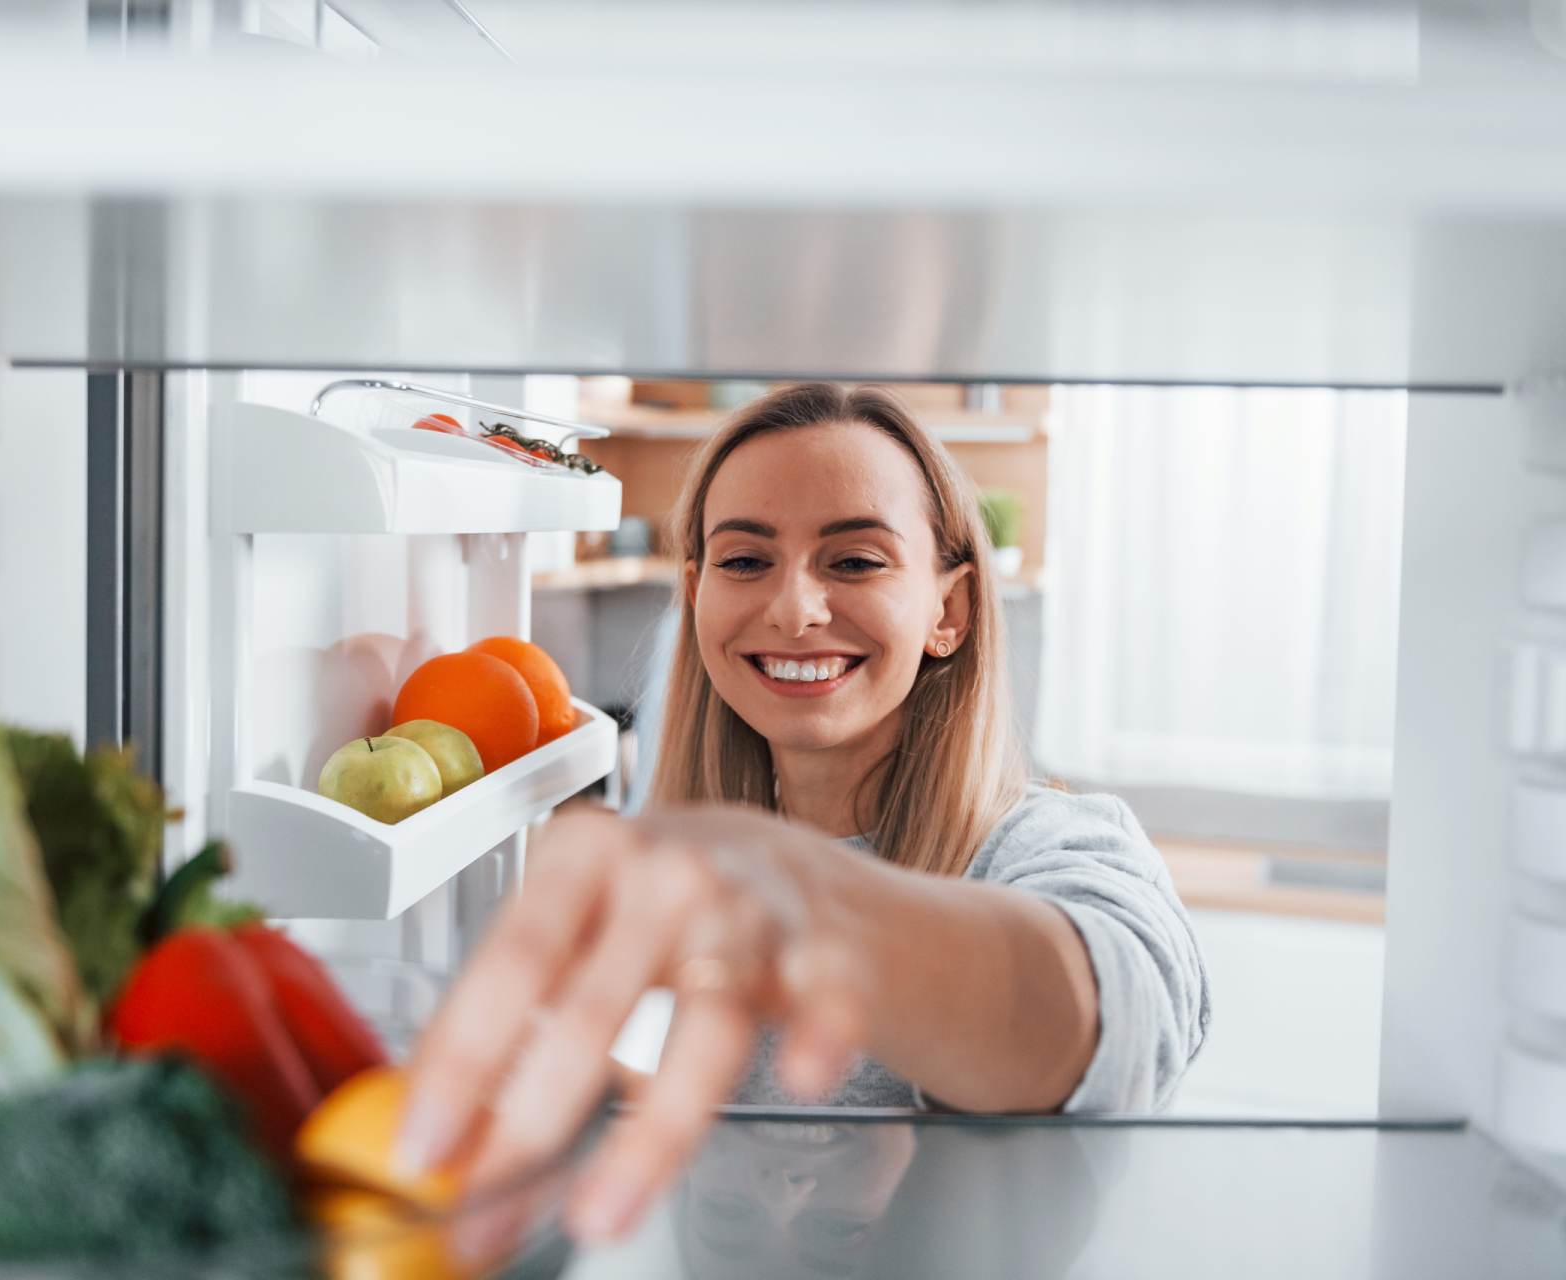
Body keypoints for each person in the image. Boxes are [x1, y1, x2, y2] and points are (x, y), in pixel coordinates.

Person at [401, 383, 1210, 1245]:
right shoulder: (707, 884)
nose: (793, 611)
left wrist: (812, 901)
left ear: (950, 608)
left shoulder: (1057, 843)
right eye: (745, 561)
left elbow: (1114, 1020)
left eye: (855, 561)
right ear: (696, 594)